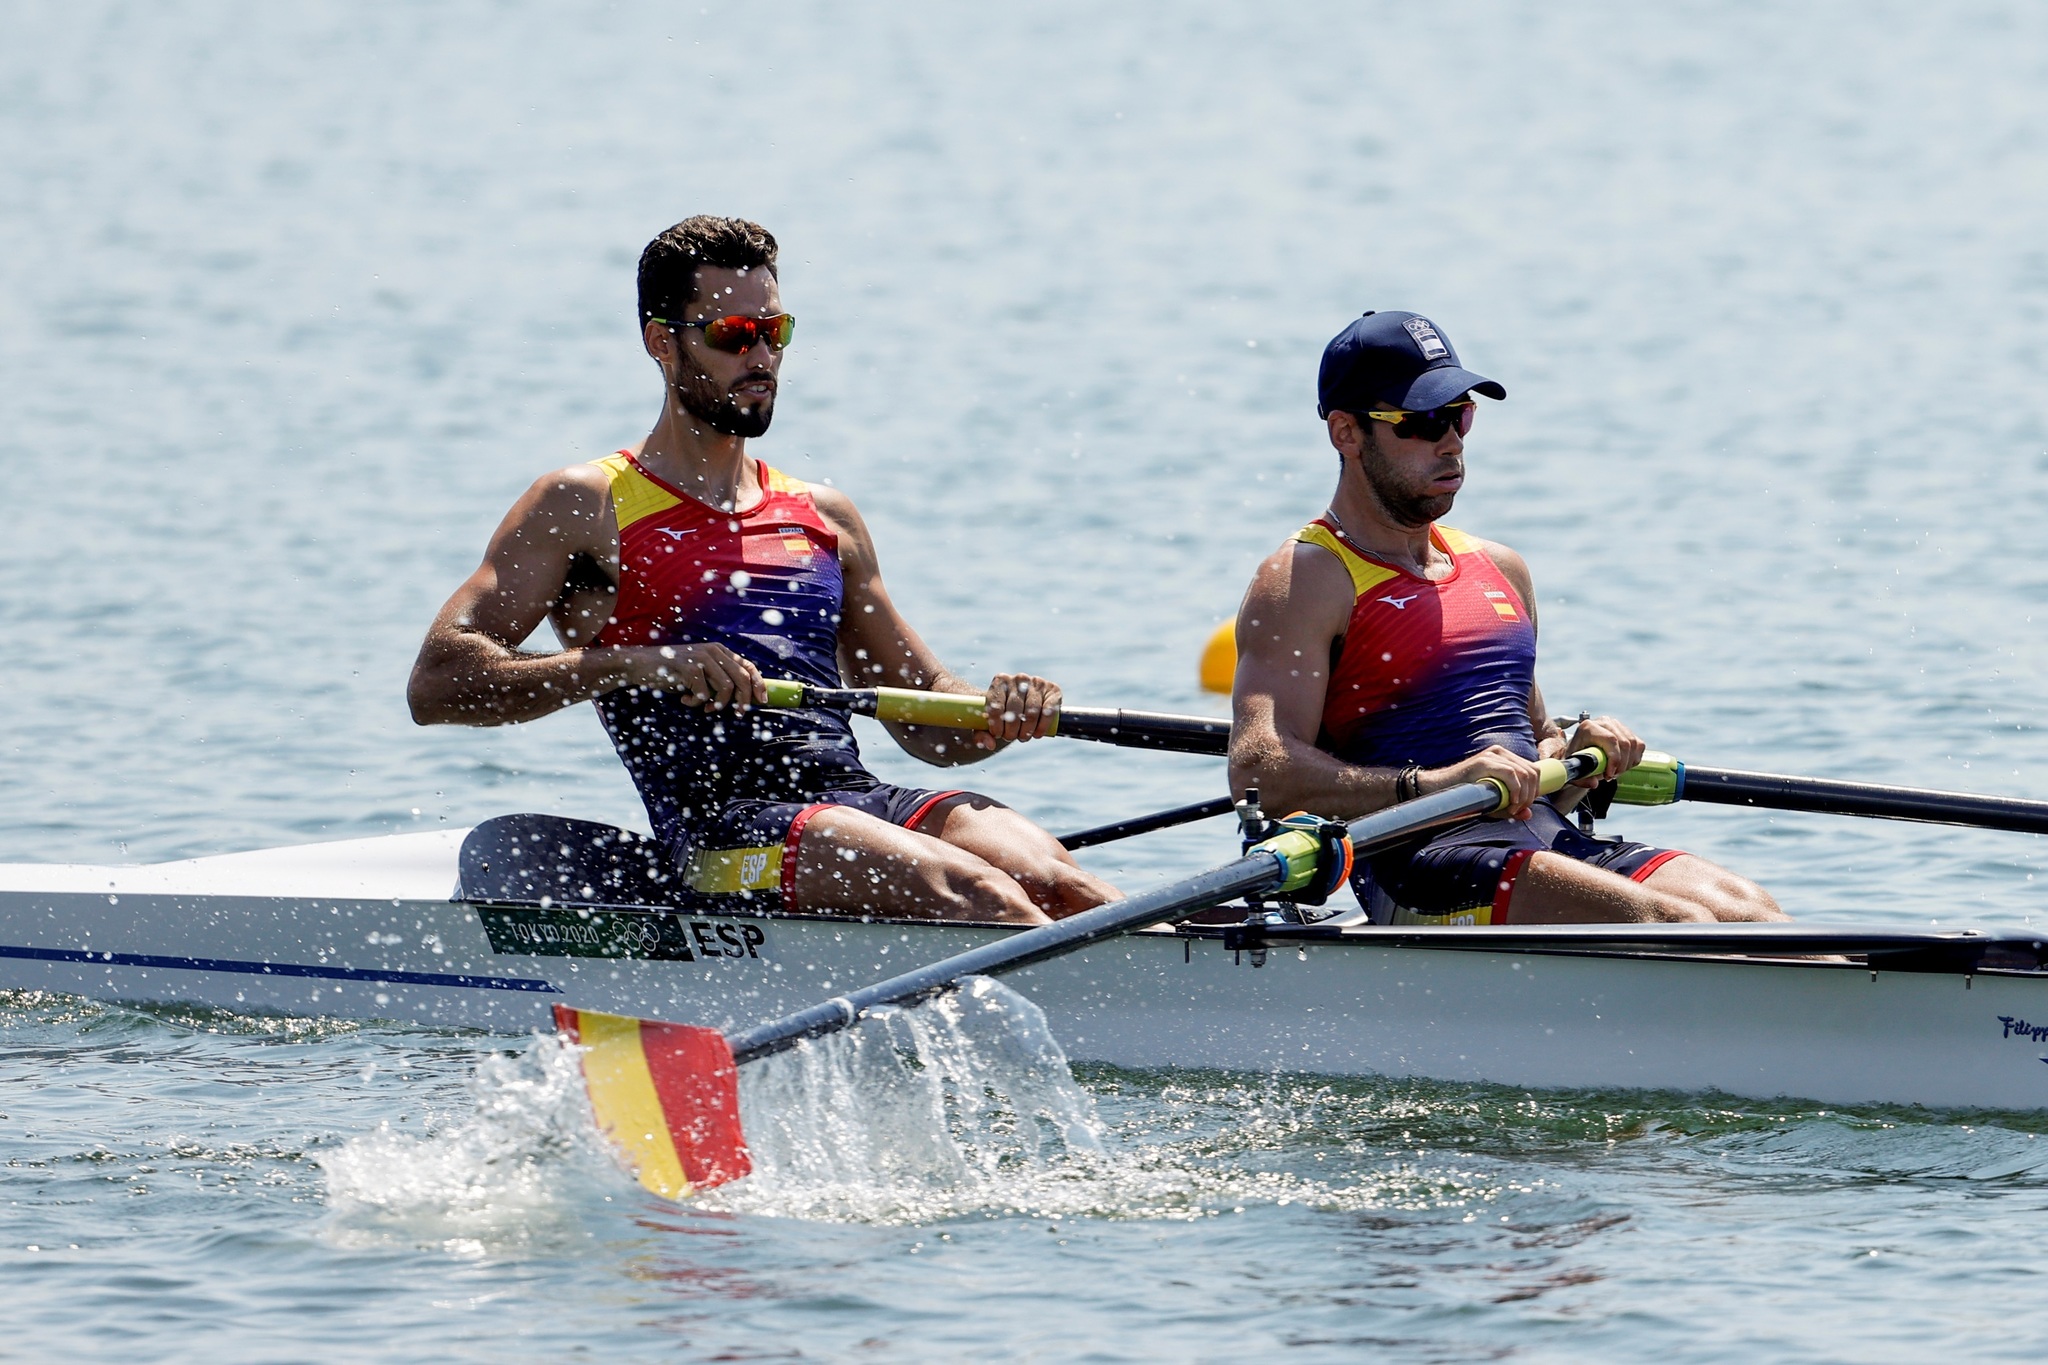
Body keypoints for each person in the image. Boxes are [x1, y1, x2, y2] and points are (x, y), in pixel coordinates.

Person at [408, 215, 1115, 927]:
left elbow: (927, 714)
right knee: (982, 895)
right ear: (662, 343)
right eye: (733, 336)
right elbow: (437, 681)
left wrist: (998, 709)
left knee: (1066, 886)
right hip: (722, 839)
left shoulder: (825, 517)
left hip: (857, 800)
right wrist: (633, 664)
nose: (762, 356)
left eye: (774, 332)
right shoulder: (585, 505)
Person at [1227, 311, 1784, 925]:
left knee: (1755, 915)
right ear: (1346, 432)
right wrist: (1437, 783)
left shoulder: (1500, 568)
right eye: (1423, 420)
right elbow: (1260, 773)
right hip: (1422, 864)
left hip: (1539, 838)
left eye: (1461, 414)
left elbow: (1534, 747)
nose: (1452, 441)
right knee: (1677, 927)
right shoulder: (1306, 578)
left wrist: (1577, 753)